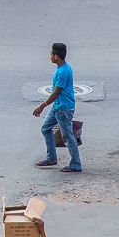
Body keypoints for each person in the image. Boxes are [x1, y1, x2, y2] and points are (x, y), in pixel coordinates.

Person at [33, 42, 81, 173]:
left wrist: (42, 106)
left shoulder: (62, 72)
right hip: (58, 106)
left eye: (51, 54)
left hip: (63, 109)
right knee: (45, 128)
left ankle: (75, 164)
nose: (49, 56)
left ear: (55, 56)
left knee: (68, 137)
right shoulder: (63, 68)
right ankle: (51, 158)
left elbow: (55, 93)